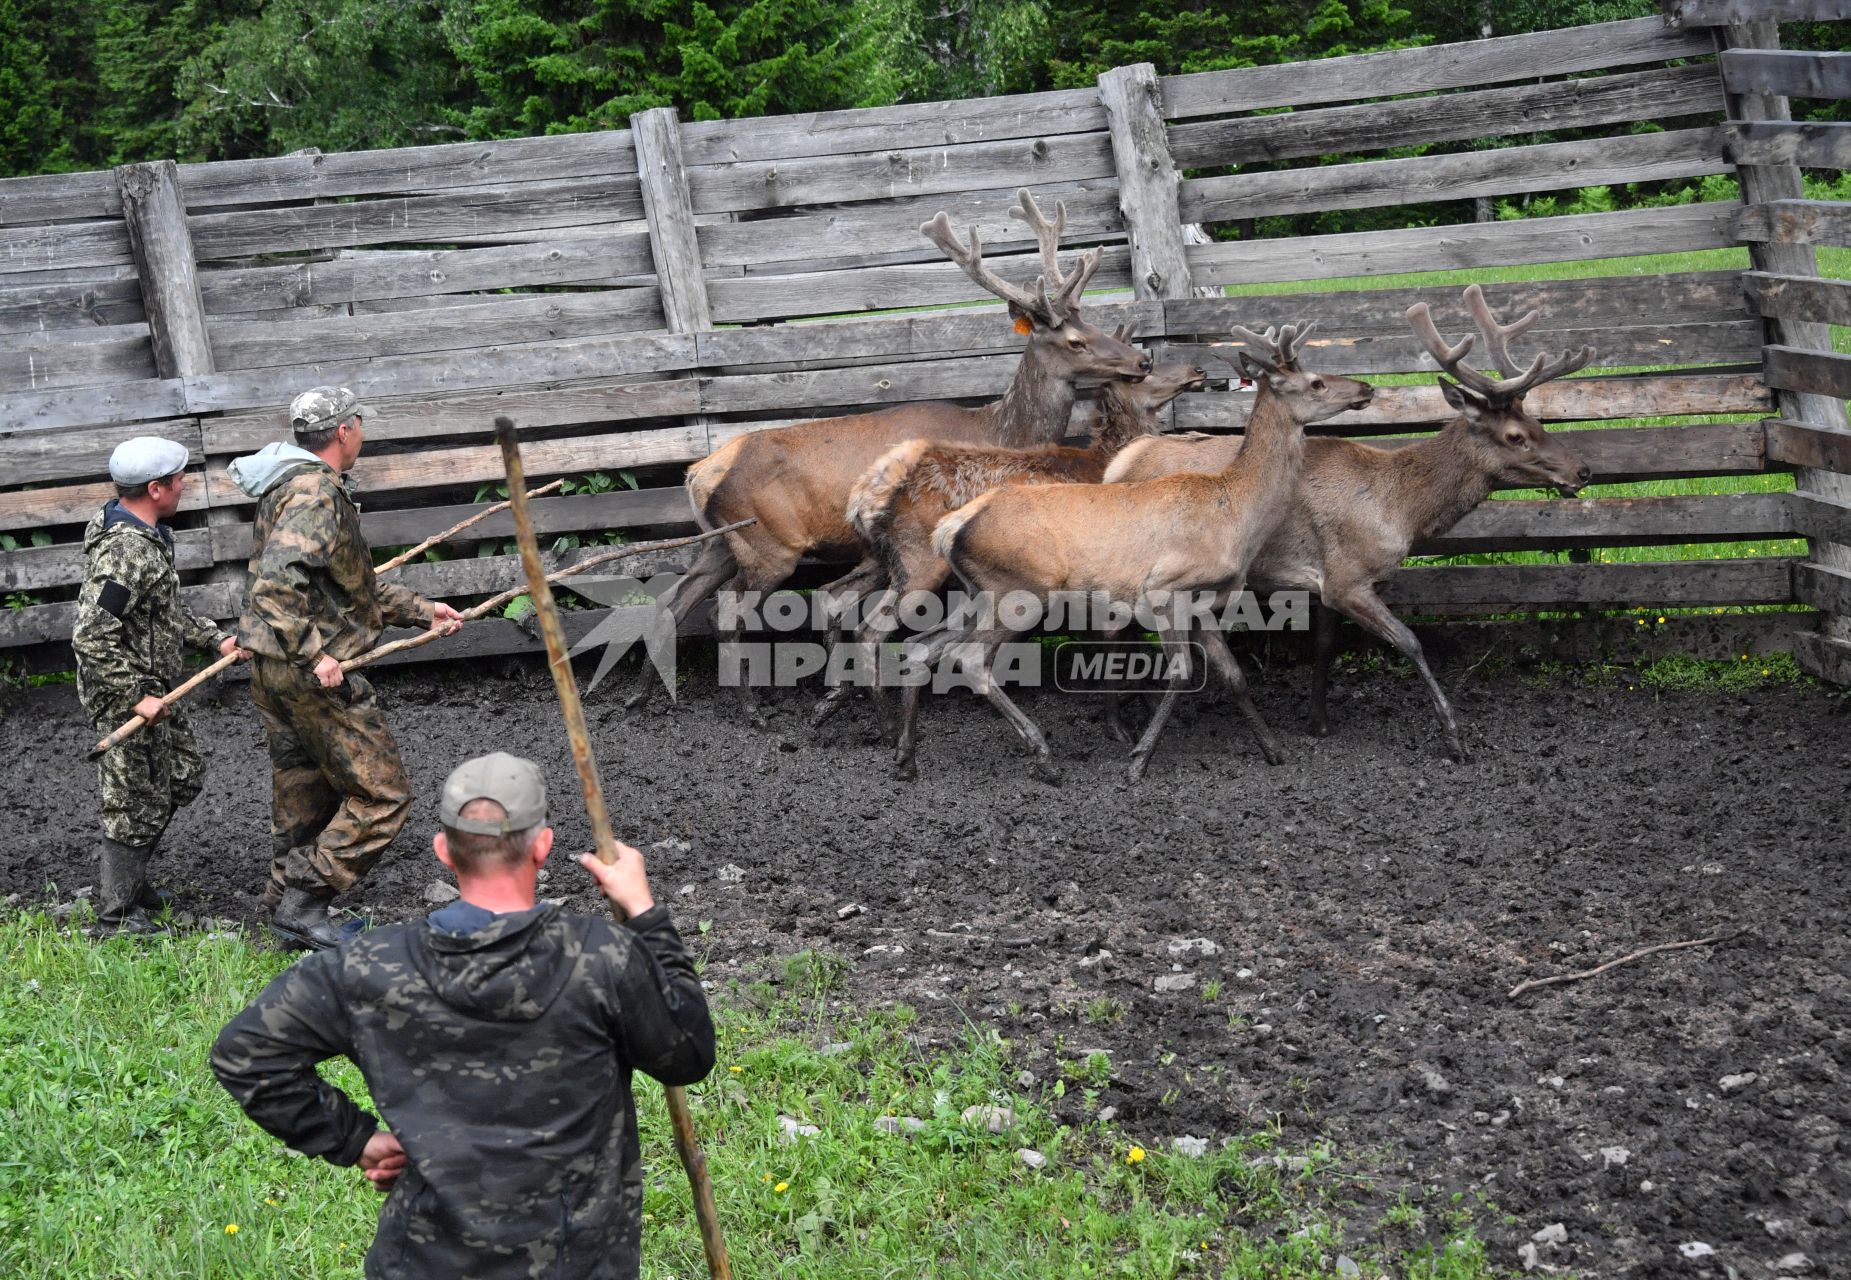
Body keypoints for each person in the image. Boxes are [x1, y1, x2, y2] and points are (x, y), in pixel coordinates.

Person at [211, 752, 715, 1280]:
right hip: (575, 1263)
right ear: (542, 846)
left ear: (442, 850)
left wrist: (354, 1139)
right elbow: (687, 1055)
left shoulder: (366, 966)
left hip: (423, 1262)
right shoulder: (602, 958)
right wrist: (646, 913)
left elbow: (245, 1052)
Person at [228, 386, 464, 949]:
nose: (361, 433)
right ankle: (305, 905)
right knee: (383, 796)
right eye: (359, 424)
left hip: (273, 667)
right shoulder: (314, 495)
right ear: (343, 431)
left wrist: (421, 611)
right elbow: (276, 586)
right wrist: (318, 654)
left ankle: (282, 906)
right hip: (310, 673)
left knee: (303, 790)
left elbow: (346, 588)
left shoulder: (288, 486)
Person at [72, 437, 247, 935]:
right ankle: (116, 913)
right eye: (178, 479)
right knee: (132, 800)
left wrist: (216, 640)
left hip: (153, 687)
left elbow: (162, 612)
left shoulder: (145, 534)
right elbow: (91, 636)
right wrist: (133, 697)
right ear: (155, 488)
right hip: (126, 694)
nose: (184, 484)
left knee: (183, 773)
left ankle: (132, 882)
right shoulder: (124, 553)